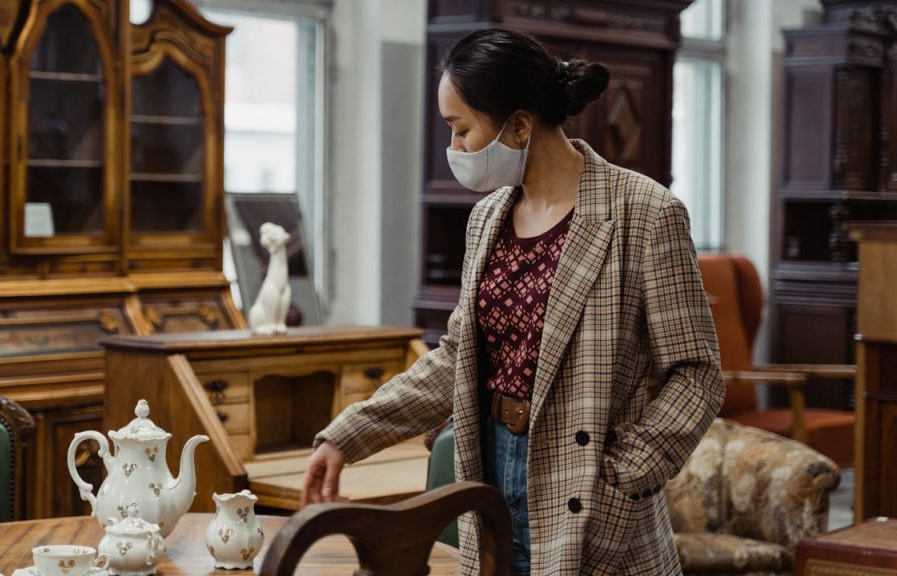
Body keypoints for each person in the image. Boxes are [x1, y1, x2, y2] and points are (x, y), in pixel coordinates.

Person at [301, 28, 724, 575]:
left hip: (590, 482)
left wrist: (622, 474)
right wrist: (347, 437)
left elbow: (697, 374)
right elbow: (458, 358)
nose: (453, 150)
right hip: (491, 469)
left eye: (461, 131)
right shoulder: (486, 220)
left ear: (519, 125)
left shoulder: (645, 212)